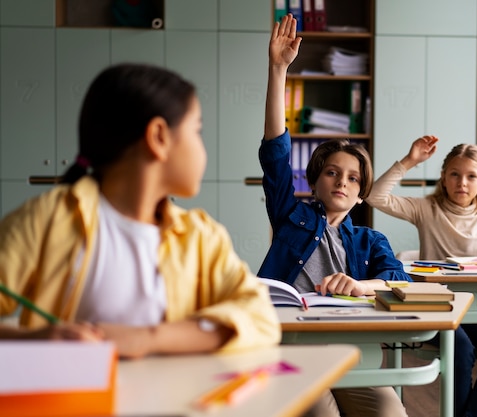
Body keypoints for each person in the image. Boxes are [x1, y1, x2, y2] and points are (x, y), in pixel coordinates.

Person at [0, 63, 281, 358]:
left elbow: (261, 317)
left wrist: (149, 338)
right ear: (159, 136)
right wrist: (35, 340)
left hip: (177, 404)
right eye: (197, 130)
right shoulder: (49, 218)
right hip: (68, 402)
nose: (202, 148)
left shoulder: (200, 236)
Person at [258, 14, 411, 417]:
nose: (342, 182)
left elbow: (399, 279)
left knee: (390, 414)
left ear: (361, 195)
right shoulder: (291, 216)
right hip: (292, 348)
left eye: (353, 178)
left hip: (350, 353)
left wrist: (363, 287)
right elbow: (275, 155)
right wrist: (278, 71)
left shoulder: (370, 242)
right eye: (332, 172)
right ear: (316, 181)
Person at [366, 135, 477, 417]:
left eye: (471, 176)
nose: (462, 183)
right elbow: (375, 196)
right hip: (438, 307)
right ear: (444, 178)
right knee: (460, 348)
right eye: (455, 175)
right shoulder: (426, 209)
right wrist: (410, 161)